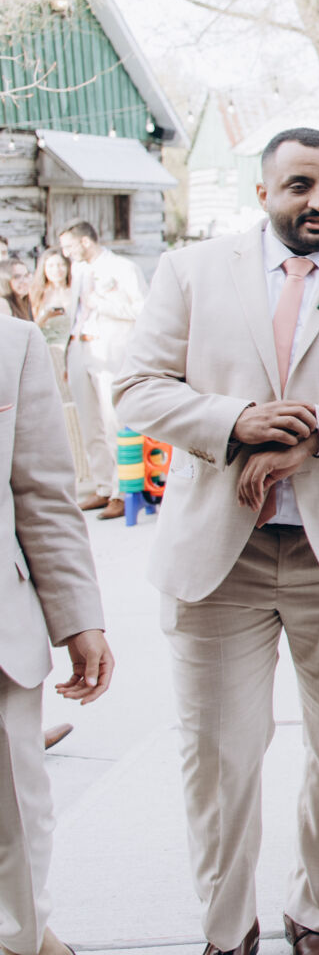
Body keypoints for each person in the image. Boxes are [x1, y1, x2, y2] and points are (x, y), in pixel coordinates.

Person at [113, 128, 319, 955]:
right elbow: (137, 386)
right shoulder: (191, 271)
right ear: (263, 192)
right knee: (216, 757)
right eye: (300, 184)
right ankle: (228, 930)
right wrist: (237, 421)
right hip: (217, 555)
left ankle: (315, 912)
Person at [0, 318, 114, 955]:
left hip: (2, 626)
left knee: (16, 815)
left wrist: (79, 618)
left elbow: (42, 494)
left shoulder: (12, 343)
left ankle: (22, 941)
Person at [60, 222, 144, 520]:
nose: (66, 254)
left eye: (69, 246)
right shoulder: (79, 271)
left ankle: (122, 491)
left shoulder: (123, 267)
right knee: (89, 424)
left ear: (85, 241)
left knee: (113, 422)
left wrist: (101, 303)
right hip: (80, 348)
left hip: (111, 351)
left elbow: (141, 310)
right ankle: (102, 486)